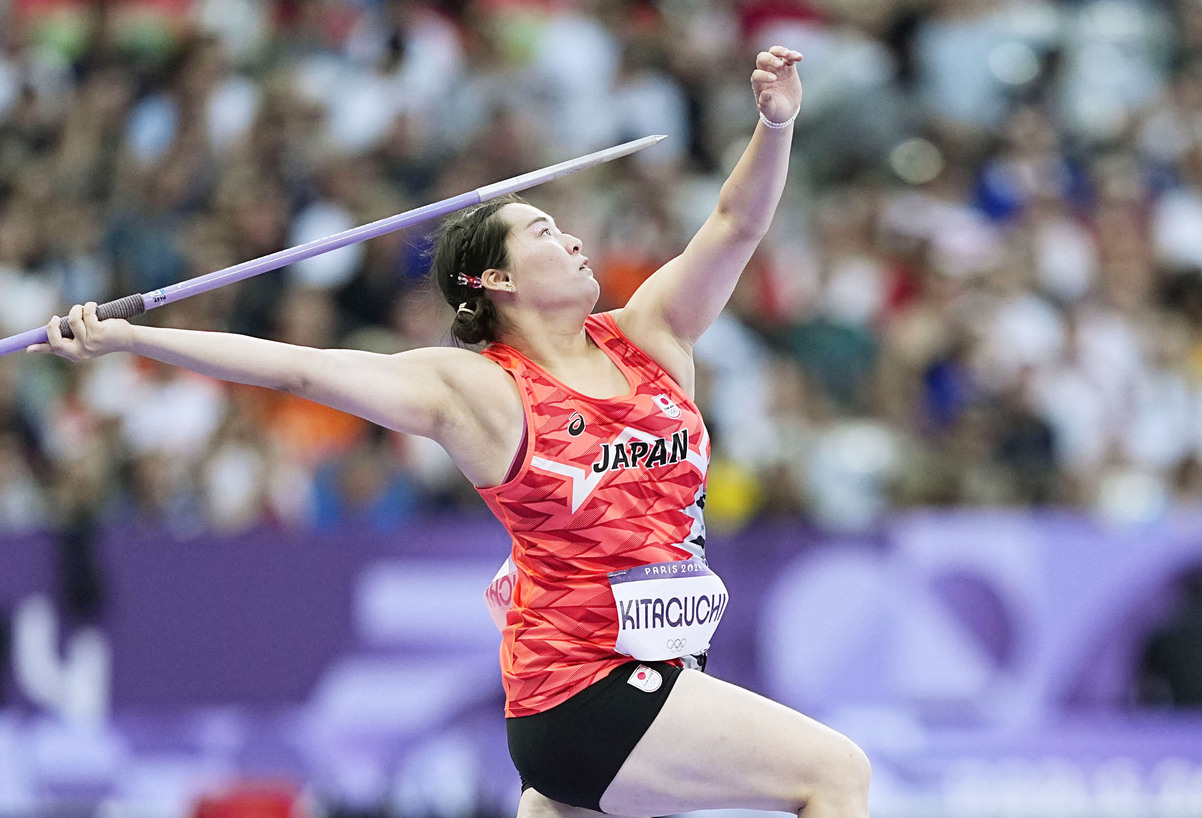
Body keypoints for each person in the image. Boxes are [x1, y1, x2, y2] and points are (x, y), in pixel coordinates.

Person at [31, 47, 871, 818]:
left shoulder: (652, 333)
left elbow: (735, 226)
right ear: (498, 279)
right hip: (587, 692)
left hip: (639, 683)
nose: (573, 237)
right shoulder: (478, 391)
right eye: (543, 231)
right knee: (834, 775)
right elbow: (294, 367)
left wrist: (775, 124)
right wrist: (130, 335)